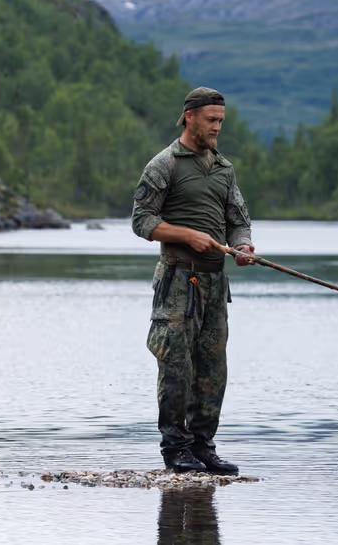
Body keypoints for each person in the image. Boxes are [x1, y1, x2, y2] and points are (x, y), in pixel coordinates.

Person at [131, 87, 256, 474]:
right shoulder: (164, 165)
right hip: (177, 283)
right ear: (189, 117)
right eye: (211, 120)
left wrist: (243, 246)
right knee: (176, 368)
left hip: (216, 286)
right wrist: (187, 235)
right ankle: (175, 450)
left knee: (212, 370)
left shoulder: (224, 169)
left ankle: (203, 446)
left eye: (221, 121)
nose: (217, 127)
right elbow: (142, 221)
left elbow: (238, 219)